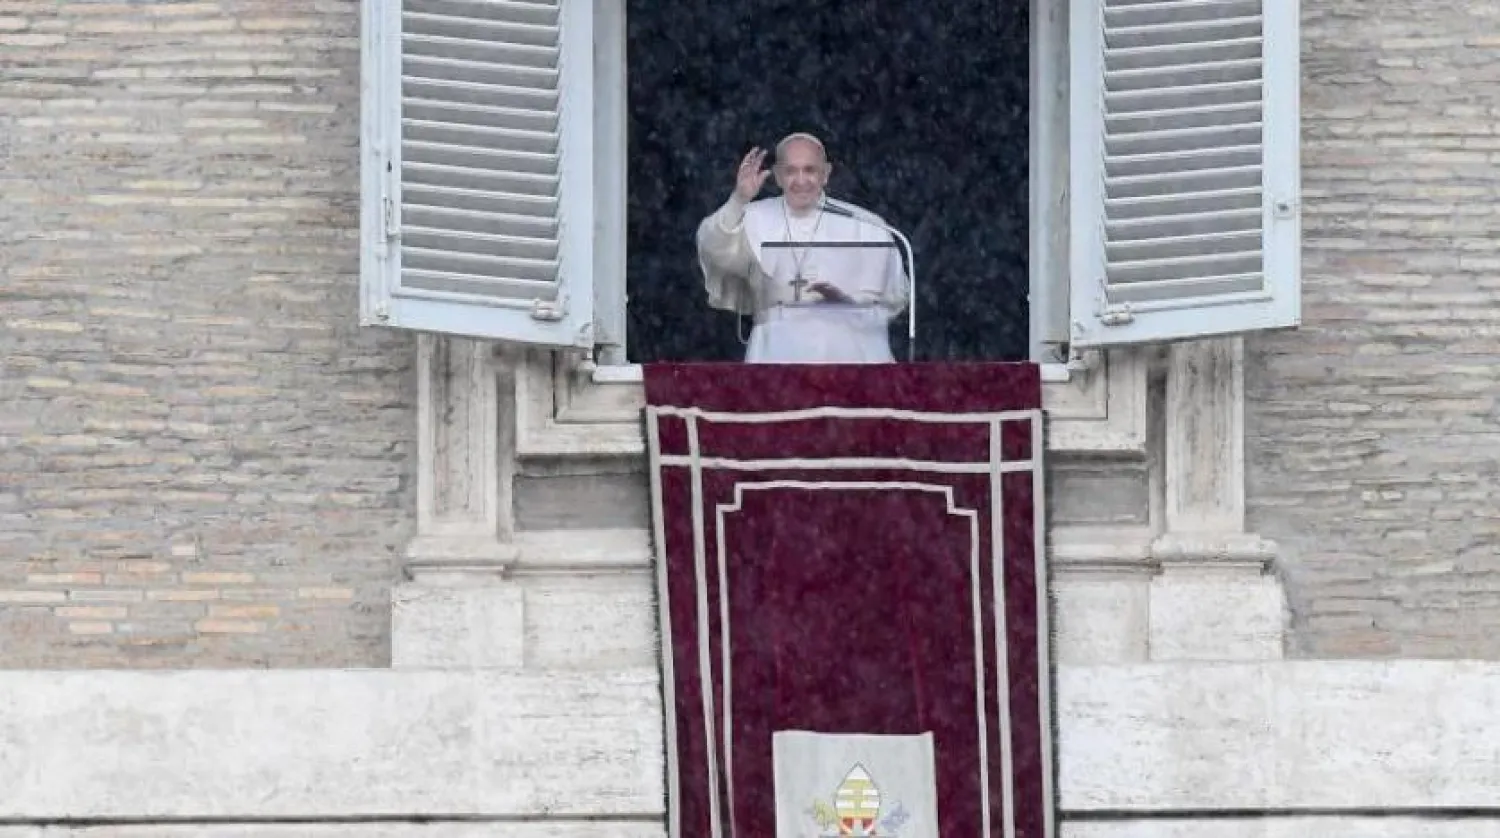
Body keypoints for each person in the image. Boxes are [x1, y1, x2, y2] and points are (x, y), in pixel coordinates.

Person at [695, 133, 909, 363]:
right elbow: (712, 246)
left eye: (810, 170)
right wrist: (738, 199)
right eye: (790, 171)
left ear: (826, 174)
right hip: (776, 354)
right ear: (777, 176)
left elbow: (893, 299)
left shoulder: (864, 225)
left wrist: (847, 302)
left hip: (847, 355)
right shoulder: (753, 217)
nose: (800, 180)